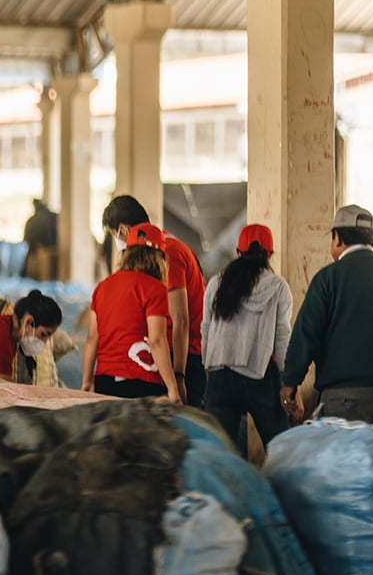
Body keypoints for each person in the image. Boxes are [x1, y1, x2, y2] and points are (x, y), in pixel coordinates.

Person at [281, 204, 373, 427]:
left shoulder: (328, 279)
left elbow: (306, 334)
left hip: (347, 399)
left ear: (338, 239)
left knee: (347, 461)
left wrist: (291, 382)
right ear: (372, 239)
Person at [201, 224, 297, 455]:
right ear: (269, 254)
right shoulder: (277, 286)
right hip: (259, 375)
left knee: (220, 455)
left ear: (238, 251)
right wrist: (288, 381)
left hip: (219, 374)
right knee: (281, 451)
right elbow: (282, 336)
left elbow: (205, 329)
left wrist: (209, 367)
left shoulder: (216, 284)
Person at [102, 195, 207, 407]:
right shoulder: (156, 247)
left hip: (182, 355)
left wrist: (178, 377)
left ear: (122, 230)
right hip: (161, 351)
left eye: (114, 234)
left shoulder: (166, 252)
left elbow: (181, 320)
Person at [81, 223, 181, 402]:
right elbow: (157, 340)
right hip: (143, 383)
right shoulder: (155, 289)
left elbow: (92, 339)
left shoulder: (102, 287)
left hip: (105, 381)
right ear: (159, 258)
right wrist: (173, 387)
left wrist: (87, 380)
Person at [0, 290, 63, 382]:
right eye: (43, 334)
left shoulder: (8, 336)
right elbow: (2, 388)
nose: (44, 342)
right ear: (29, 322)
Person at [21, 198, 58, 279]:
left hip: (41, 251)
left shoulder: (33, 220)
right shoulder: (56, 216)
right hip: (57, 250)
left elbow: (26, 241)